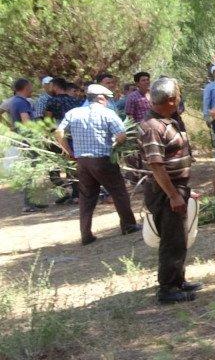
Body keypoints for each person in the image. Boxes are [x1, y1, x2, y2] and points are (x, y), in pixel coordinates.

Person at [139, 77, 202, 305]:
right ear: (172, 100)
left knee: (179, 237)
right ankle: (167, 289)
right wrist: (174, 195)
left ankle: (178, 281)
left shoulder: (169, 120)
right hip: (164, 192)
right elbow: (157, 166)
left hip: (177, 189)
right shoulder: (152, 127)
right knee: (171, 240)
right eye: (178, 95)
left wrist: (185, 191)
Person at [56, 84, 140, 245]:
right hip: (103, 159)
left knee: (86, 198)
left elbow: (59, 132)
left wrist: (68, 151)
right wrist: (114, 145)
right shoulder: (107, 113)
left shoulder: (73, 113)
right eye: (107, 98)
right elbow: (122, 135)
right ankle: (129, 225)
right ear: (100, 98)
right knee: (119, 192)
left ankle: (86, 234)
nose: (108, 101)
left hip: (82, 162)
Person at [7, 79, 46, 213]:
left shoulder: (14, 101)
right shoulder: (22, 102)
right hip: (28, 141)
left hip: (23, 140)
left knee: (31, 171)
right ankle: (28, 204)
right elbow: (26, 122)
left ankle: (31, 201)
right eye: (30, 87)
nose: (32, 89)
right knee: (30, 171)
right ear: (25, 87)